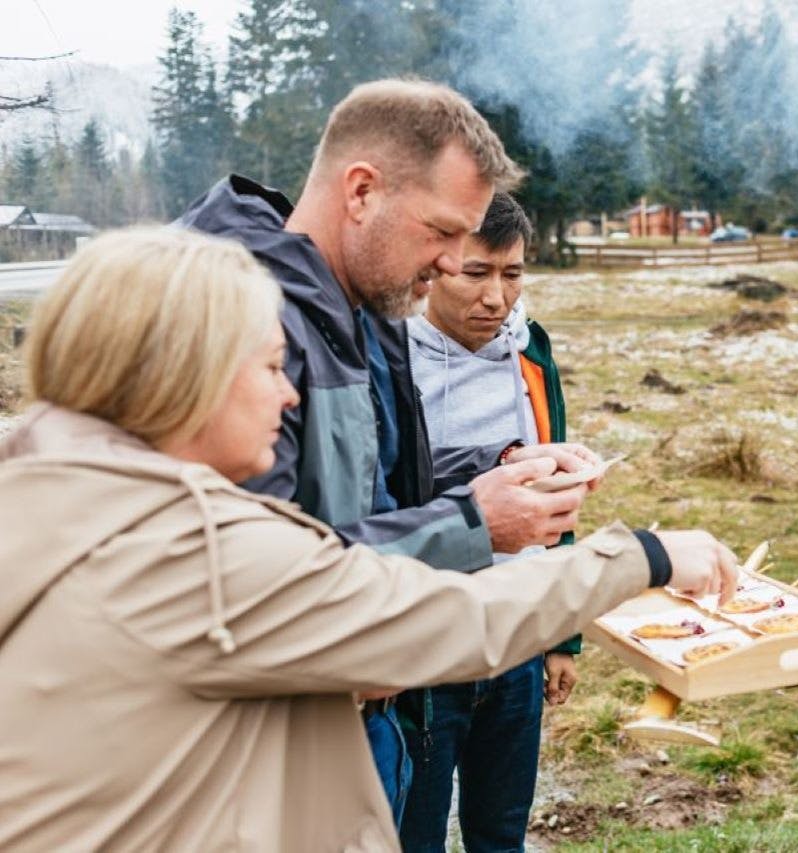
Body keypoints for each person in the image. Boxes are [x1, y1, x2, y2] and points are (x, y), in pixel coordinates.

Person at [0, 227, 738, 851]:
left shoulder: (42, 491)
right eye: (268, 366)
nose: (290, 393)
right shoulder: (189, 550)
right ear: (182, 376)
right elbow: (449, 619)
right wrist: (641, 554)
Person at [177, 78, 598, 819]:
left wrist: (492, 478)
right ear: (362, 191)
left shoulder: (363, 311)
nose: (445, 264)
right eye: (439, 232)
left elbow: (364, 492)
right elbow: (254, 586)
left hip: (362, 718)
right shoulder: (239, 317)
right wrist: (473, 523)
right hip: (277, 759)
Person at [400, 192, 574, 850]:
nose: (496, 298)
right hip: (424, 641)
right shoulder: (390, 358)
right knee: (413, 832)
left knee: (501, 830)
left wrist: (562, 633)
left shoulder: (531, 350)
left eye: (513, 273)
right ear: (434, 265)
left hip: (517, 632)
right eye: (475, 273)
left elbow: (554, 495)